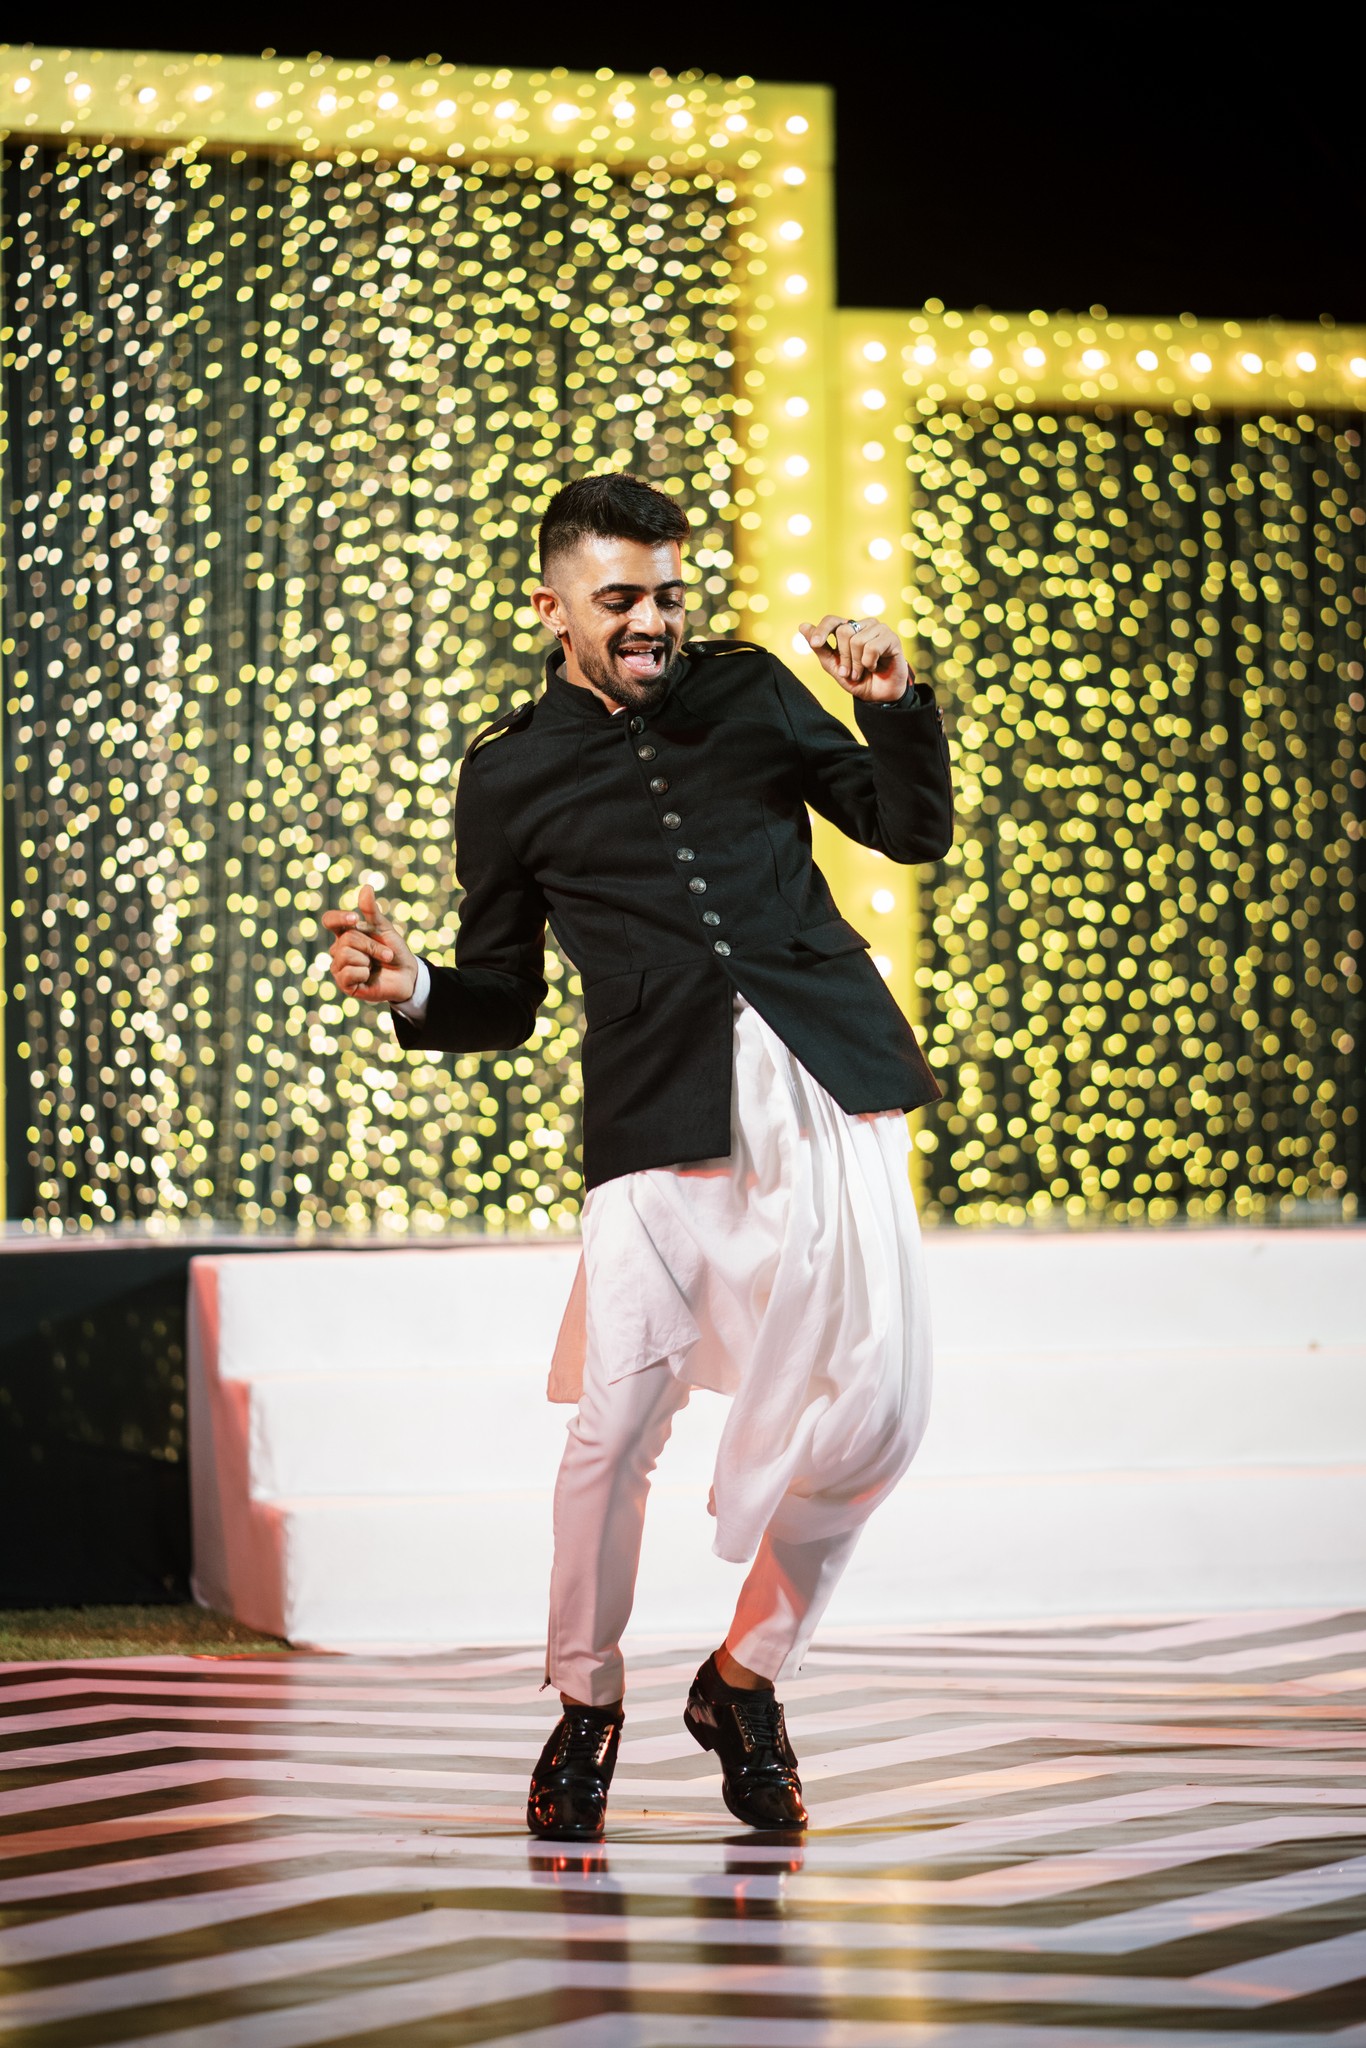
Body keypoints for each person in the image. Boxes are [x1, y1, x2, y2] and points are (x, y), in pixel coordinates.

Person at [323, 471, 953, 1839]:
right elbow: (502, 995)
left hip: (828, 1083)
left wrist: (892, 702)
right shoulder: (508, 772)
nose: (654, 621)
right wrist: (412, 985)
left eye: (669, 592)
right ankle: (585, 1702)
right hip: (655, 1117)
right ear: (549, 607)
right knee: (613, 1432)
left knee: (885, 1412)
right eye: (620, 599)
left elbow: (908, 830)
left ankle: (745, 1676)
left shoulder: (753, 690)